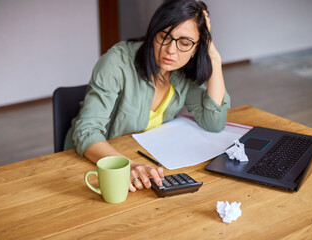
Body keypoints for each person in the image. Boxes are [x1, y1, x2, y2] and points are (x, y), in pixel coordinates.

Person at [64, 0, 230, 192]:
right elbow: (86, 132)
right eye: (164, 37)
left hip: (145, 162)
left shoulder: (182, 71)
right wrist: (129, 166)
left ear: (196, 47)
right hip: (94, 163)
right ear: (153, 34)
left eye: (185, 43)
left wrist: (215, 59)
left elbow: (214, 122)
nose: (171, 50)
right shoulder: (118, 61)